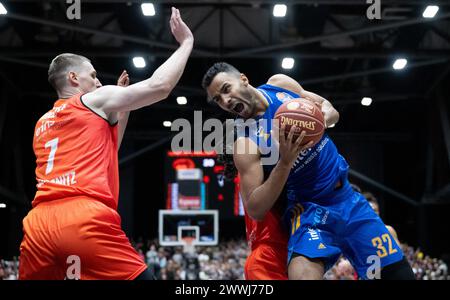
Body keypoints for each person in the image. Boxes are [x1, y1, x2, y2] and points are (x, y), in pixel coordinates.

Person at [19, 7, 193, 280]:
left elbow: (106, 153)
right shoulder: (92, 100)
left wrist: (120, 111)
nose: (98, 81)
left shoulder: (42, 122)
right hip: (82, 217)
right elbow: (160, 86)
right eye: (92, 75)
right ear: (74, 78)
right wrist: (186, 43)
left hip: (38, 224)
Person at [202, 62, 415, 280]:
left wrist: (322, 118)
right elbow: (255, 208)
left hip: (346, 199)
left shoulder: (280, 85)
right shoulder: (245, 143)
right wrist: (285, 162)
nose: (225, 101)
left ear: (244, 79)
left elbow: (328, 108)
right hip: (308, 213)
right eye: (218, 99)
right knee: (302, 276)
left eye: (226, 89)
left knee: (400, 276)